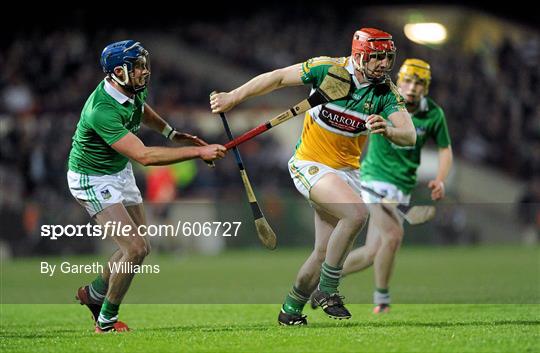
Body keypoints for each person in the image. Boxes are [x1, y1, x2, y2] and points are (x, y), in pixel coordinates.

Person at [210, 28, 416, 325]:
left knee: (322, 254)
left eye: (388, 57)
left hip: (347, 173)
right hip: (310, 164)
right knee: (356, 214)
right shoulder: (327, 68)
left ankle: (290, 311)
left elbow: (408, 135)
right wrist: (233, 96)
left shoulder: (385, 93)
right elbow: (278, 77)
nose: (384, 64)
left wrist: (389, 130)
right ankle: (328, 291)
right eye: (377, 57)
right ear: (358, 57)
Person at [67, 40, 226, 333]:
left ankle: (93, 294)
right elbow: (145, 156)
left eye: (143, 64)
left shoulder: (131, 88)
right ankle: (105, 322)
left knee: (141, 248)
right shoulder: (100, 109)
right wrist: (198, 152)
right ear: (118, 71)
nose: (144, 71)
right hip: (92, 178)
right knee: (135, 248)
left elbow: (143, 110)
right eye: (137, 66)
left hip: (118, 170)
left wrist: (171, 133)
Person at [341, 58, 453, 313]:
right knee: (393, 237)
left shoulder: (433, 113)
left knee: (372, 252)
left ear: (426, 87)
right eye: (408, 81)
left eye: (419, 83)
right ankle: (382, 300)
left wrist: (440, 178)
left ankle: (325, 278)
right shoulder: (383, 100)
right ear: (399, 81)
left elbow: (445, 149)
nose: (413, 87)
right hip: (373, 179)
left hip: (402, 186)